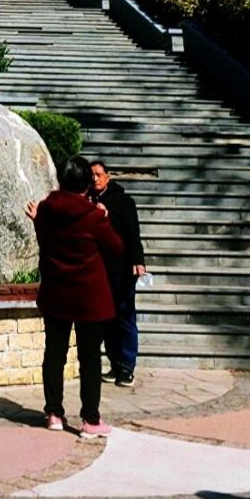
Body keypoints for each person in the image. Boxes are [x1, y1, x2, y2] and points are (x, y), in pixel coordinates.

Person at [27, 155, 124, 439]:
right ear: (86, 184)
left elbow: (45, 242)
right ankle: (90, 420)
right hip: (88, 297)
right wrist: (106, 218)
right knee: (90, 359)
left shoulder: (45, 211)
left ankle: (54, 413)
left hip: (57, 293)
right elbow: (116, 249)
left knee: (54, 354)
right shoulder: (93, 216)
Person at [90, 160, 147, 388]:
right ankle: (114, 363)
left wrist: (138, 261)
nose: (94, 179)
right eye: (91, 175)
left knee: (124, 317)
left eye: (98, 174)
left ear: (108, 177)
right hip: (98, 270)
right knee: (107, 319)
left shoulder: (123, 201)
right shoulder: (87, 201)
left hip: (121, 269)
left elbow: (132, 233)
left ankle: (127, 366)